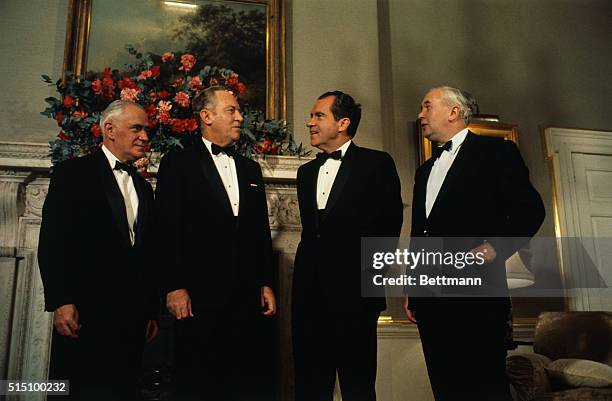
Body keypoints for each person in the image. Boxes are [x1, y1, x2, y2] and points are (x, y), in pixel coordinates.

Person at [404, 86, 545, 401]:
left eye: (427, 107)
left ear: (454, 112)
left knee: (484, 387)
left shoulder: (497, 153)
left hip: (477, 295)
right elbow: (421, 232)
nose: (420, 115)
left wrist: (494, 247)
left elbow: (531, 211)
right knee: (445, 388)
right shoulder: (424, 171)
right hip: (430, 296)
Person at [155, 86, 276, 401]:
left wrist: (265, 282)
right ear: (206, 116)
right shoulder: (178, 163)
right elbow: (167, 229)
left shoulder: (251, 169)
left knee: (242, 383)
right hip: (197, 298)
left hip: (245, 298)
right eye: (232, 110)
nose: (240, 116)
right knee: (197, 383)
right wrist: (175, 286)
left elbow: (258, 232)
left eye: (238, 110)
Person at [38, 100, 159, 400]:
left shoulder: (143, 187)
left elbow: (146, 254)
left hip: (131, 320)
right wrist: (61, 301)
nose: (145, 136)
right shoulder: (72, 173)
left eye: (147, 129)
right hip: (84, 313)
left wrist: (148, 311)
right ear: (109, 130)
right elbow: (53, 241)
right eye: (136, 128)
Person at [292, 91, 403, 401]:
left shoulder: (377, 164)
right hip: (309, 297)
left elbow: (388, 230)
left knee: (358, 385)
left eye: (318, 116)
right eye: (311, 116)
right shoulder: (305, 173)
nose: (309, 122)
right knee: (310, 385)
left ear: (343, 123)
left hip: (355, 298)